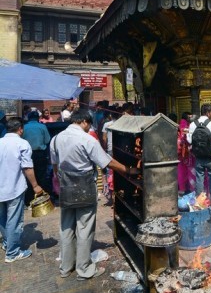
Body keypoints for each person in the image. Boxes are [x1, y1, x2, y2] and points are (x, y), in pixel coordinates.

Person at [50, 109, 137, 280]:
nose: (88, 127)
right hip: (84, 186)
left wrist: (61, 180)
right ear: (84, 121)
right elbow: (107, 162)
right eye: (88, 124)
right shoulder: (87, 139)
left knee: (66, 228)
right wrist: (128, 170)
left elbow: (55, 165)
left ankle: (66, 267)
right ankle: (84, 269)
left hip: (65, 186)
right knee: (84, 228)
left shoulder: (56, 139)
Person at [0, 117, 43, 262]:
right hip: (14, 187)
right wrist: (35, 185)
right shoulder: (22, 143)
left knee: (3, 218)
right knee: (14, 220)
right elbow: (27, 167)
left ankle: (7, 244)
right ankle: (12, 252)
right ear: (20, 129)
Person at [187, 104, 211, 205]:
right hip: (210, 157)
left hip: (198, 156)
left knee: (199, 179)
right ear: (208, 112)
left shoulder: (193, 124)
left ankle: (200, 202)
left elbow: (189, 140)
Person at [22, 110, 51, 205]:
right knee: (41, 176)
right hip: (40, 154)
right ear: (38, 118)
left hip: (27, 155)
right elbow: (47, 140)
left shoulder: (24, 127)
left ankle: (29, 200)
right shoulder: (42, 126)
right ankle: (42, 199)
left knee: (28, 177)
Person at [177, 112, 195, 194]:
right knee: (189, 171)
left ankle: (182, 188)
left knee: (181, 170)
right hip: (187, 153)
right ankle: (190, 189)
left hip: (180, 154)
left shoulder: (178, 126)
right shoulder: (186, 128)